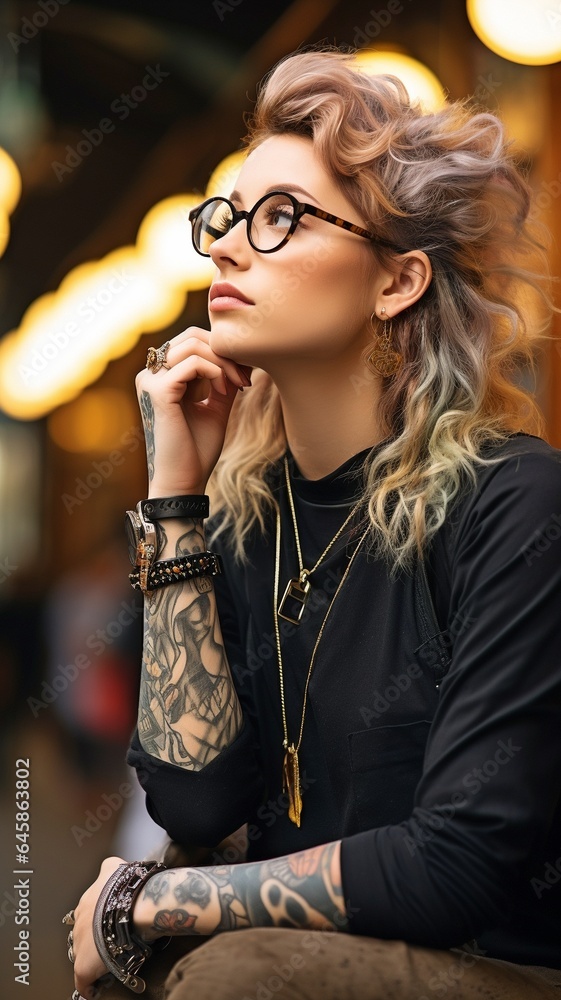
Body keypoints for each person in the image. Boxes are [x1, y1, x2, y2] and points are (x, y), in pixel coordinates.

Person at [69, 48, 561, 1000]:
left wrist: (151, 902)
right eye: (225, 217)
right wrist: (175, 497)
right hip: (319, 952)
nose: (225, 246)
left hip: (503, 966)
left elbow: (452, 868)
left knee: (227, 967)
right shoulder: (253, 519)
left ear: (396, 281)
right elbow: (196, 801)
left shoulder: (517, 504)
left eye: (279, 218)